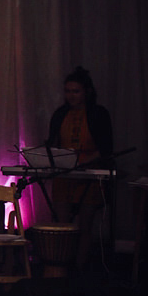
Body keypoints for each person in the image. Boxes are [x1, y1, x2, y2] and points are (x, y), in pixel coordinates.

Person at [46, 66, 114, 270]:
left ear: (87, 91)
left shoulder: (98, 113)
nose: (71, 96)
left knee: (85, 225)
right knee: (62, 224)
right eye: (68, 91)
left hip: (90, 174)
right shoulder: (60, 114)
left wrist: (85, 161)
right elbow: (53, 144)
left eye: (76, 91)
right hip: (65, 174)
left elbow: (105, 148)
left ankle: (79, 268)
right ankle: (60, 265)